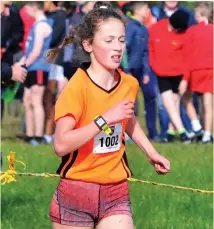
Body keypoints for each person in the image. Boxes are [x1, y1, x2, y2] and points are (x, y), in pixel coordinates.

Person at [48, 2, 170, 229]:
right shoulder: (76, 88)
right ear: (88, 45)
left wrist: (151, 152)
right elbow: (61, 145)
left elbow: (127, 118)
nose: (118, 47)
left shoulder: (129, 84)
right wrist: (104, 119)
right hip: (76, 191)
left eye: (121, 40)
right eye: (109, 40)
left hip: (116, 190)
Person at [149, 10, 202, 143]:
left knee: (174, 103)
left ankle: (171, 132)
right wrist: (154, 66)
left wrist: (184, 79)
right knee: (168, 104)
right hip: (161, 73)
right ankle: (183, 132)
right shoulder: (156, 28)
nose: (178, 31)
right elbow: (151, 48)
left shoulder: (185, 35)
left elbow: (188, 59)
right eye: (176, 28)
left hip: (178, 73)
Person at [123, 2, 161, 142]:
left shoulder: (144, 28)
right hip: (128, 70)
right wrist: (126, 70)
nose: (148, 11)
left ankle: (153, 132)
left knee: (151, 96)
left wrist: (146, 72)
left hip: (141, 70)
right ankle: (129, 133)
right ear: (138, 10)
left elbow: (145, 52)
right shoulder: (130, 27)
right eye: (146, 8)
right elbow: (124, 51)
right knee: (130, 101)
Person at [18, 1, 53, 146]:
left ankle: (38, 137)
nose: (27, 13)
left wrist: (24, 65)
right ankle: (30, 135)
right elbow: (29, 50)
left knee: (36, 100)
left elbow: (37, 51)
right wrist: (20, 64)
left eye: (28, 10)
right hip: (30, 67)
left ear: (34, 8)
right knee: (27, 100)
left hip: (38, 67)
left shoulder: (42, 25)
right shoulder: (36, 25)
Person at [179, 2, 213, 143]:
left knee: (186, 97)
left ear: (199, 15)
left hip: (196, 69)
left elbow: (187, 55)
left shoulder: (191, 31)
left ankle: (196, 125)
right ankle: (207, 134)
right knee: (208, 102)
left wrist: (185, 78)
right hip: (211, 69)